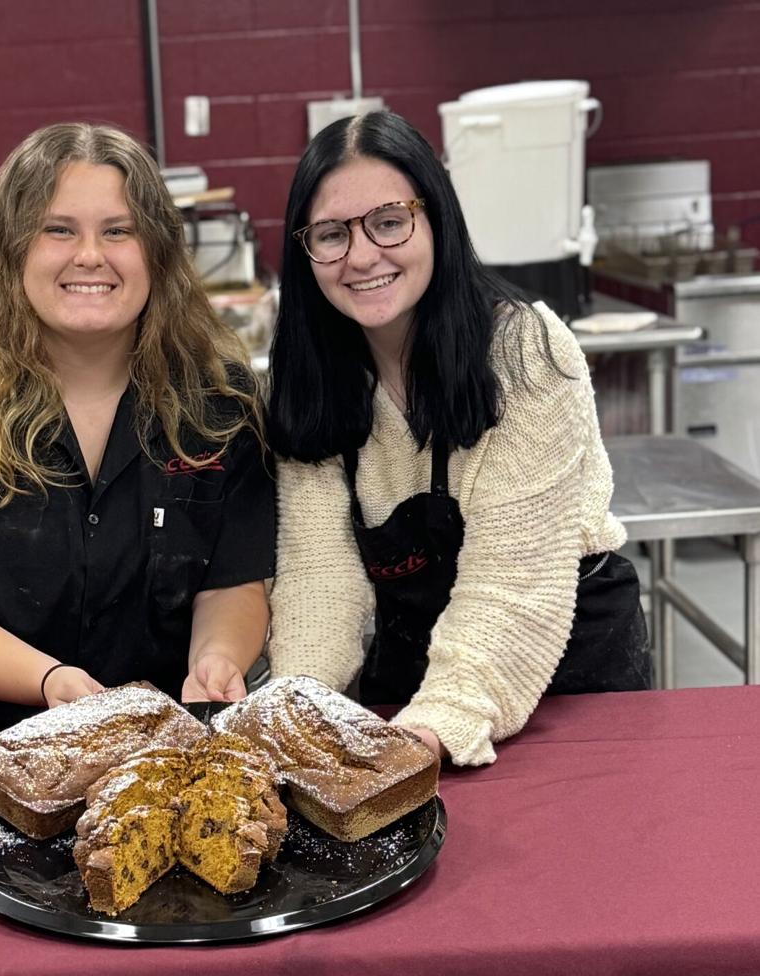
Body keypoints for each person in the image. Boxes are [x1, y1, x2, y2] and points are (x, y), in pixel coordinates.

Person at [0, 122, 274, 734]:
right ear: (12, 250)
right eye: (58, 230)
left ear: (156, 252)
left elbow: (232, 581)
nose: (90, 255)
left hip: (151, 735)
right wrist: (50, 680)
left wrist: (217, 658)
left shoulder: (219, 405)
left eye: (118, 231)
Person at [265, 111, 651, 766]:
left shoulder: (522, 350)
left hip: (561, 672)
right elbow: (318, 577)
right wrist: (293, 705)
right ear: (304, 252)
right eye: (331, 234)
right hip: (416, 685)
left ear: (435, 217)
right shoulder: (311, 380)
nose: (361, 256)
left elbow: (513, 577)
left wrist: (439, 721)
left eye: (388, 222)